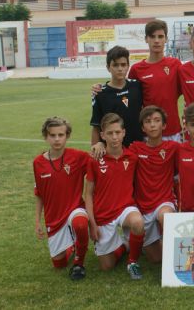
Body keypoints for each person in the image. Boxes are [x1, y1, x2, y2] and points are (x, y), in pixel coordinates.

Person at [84, 113, 145, 279]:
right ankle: (125, 246)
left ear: (124, 132)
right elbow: (88, 194)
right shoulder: (95, 160)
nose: (114, 137)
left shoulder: (132, 157)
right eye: (110, 133)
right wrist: (92, 224)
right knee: (107, 266)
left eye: (118, 132)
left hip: (126, 208)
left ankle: (132, 262)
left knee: (138, 222)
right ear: (102, 135)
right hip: (103, 214)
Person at [33, 117, 90, 280]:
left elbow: (97, 170)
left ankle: (79, 262)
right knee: (59, 264)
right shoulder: (38, 163)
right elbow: (39, 194)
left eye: (61, 135)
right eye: (52, 135)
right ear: (46, 136)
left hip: (75, 209)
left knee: (80, 224)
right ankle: (71, 246)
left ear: (67, 136)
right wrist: (37, 221)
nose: (57, 139)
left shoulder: (78, 157)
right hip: (54, 217)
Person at [128, 106, 178, 263]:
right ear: (143, 127)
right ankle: (133, 243)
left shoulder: (173, 147)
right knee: (156, 259)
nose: (153, 125)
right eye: (148, 122)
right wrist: (100, 145)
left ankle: (175, 260)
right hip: (143, 208)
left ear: (164, 125)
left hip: (164, 202)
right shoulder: (135, 148)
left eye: (157, 121)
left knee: (166, 216)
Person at [127, 20, 182, 141]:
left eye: (160, 36)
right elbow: (128, 99)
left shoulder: (175, 65)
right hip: (149, 133)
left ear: (166, 39)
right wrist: (100, 88)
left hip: (173, 131)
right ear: (146, 39)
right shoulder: (136, 69)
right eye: (152, 36)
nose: (156, 40)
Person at [90, 45, 143, 151]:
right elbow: (96, 126)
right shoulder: (100, 93)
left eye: (123, 65)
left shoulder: (137, 86)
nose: (120, 69)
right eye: (115, 65)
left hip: (138, 146)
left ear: (128, 66)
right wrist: (94, 148)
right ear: (108, 67)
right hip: (113, 150)